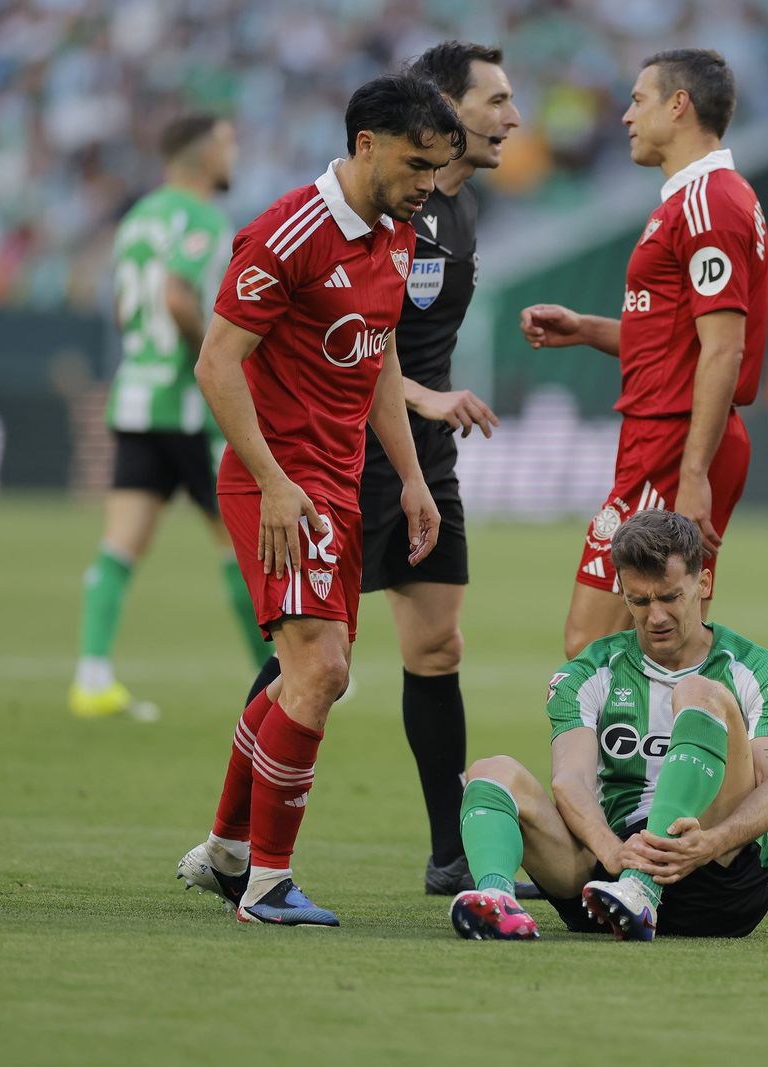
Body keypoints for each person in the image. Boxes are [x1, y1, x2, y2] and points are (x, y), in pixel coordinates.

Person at [174, 75, 463, 927]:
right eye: (416, 164)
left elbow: (374, 357)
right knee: (321, 669)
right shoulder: (285, 233)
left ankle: (227, 852)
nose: (426, 185)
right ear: (366, 143)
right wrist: (270, 480)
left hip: (338, 485)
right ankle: (266, 886)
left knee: (305, 677)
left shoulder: (398, 233)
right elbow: (216, 364)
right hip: (279, 483)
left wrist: (409, 475)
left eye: (437, 170)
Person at [241, 41, 524, 897]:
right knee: (312, 654)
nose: (513, 117)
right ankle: (235, 838)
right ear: (438, 107)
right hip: (349, 446)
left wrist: (426, 420)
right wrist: (425, 401)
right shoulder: (383, 203)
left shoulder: (458, 213)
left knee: (437, 643)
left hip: (417, 453)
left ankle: (451, 853)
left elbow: (395, 335)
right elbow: (354, 339)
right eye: (496, 100)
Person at [518, 49, 768, 659]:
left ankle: (689, 755)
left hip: (673, 442)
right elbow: (676, 340)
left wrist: (690, 475)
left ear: (678, 105)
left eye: (638, 100)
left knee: (598, 644)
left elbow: (723, 349)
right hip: (665, 439)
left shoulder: (708, 204)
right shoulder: (696, 201)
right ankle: (700, 755)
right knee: (669, 646)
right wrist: (585, 329)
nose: (627, 117)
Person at [444, 510, 768, 941]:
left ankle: (642, 890)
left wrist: (712, 842)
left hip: (717, 875)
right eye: (640, 601)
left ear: (702, 585)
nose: (656, 617)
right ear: (623, 594)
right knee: (490, 770)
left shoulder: (756, 668)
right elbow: (569, 782)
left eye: (670, 597)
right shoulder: (589, 672)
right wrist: (612, 852)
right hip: (607, 885)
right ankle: (496, 901)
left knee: (697, 692)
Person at [70, 114, 265, 719]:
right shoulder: (202, 218)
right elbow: (178, 296)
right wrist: (216, 356)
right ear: (205, 155)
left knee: (120, 545)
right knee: (242, 542)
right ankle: (275, 676)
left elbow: (125, 305)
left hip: (135, 397)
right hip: (188, 406)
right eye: (231, 143)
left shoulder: (138, 219)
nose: (236, 156)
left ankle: (92, 677)